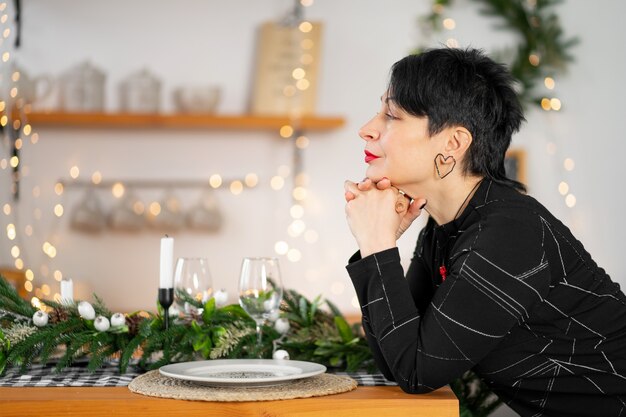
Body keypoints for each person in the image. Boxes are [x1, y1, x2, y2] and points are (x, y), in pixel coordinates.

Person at [343, 47, 626, 417]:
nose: (367, 129)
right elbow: (398, 361)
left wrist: (377, 245)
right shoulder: (444, 228)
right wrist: (376, 247)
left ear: (453, 144)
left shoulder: (510, 231)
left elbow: (417, 372)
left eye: (391, 115)